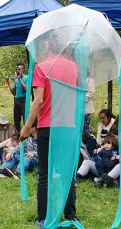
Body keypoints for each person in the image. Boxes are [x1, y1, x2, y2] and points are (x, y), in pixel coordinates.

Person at [20, 51, 79, 225]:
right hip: (68, 126)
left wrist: (27, 126)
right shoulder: (74, 68)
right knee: (67, 173)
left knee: (45, 173)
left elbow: (38, 101)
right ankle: (71, 215)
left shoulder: (42, 67)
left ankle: (43, 218)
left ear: (48, 45)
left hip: (48, 127)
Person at [7, 63, 28, 132]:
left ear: (23, 70)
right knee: (16, 119)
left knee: (25, 118)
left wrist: (20, 80)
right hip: (16, 100)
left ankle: (27, 134)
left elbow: (26, 89)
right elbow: (14, 93)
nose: (17, 71)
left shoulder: (27, 78)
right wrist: (9, 84)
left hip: (23, 101)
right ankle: (18, 133)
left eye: (19, 69)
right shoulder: (16, 80)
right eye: (16, 69)